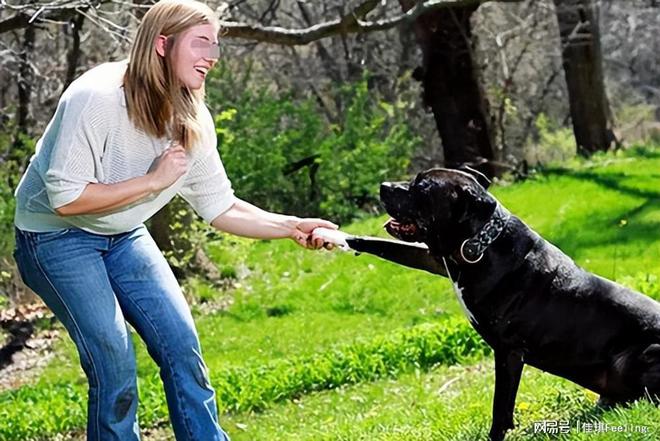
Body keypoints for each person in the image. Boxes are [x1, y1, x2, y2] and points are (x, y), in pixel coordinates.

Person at [12, 1, 336, 440]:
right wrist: (153, 181)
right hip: (55, 237)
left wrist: (292, 225)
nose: (214, 55)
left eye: (216, 44)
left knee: (182, 347)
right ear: (162, 45)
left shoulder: (191, 118)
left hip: (122, 234)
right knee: (114, 362)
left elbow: (222, 207)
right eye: (201, 42)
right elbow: (67, 199)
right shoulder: (96, 97)